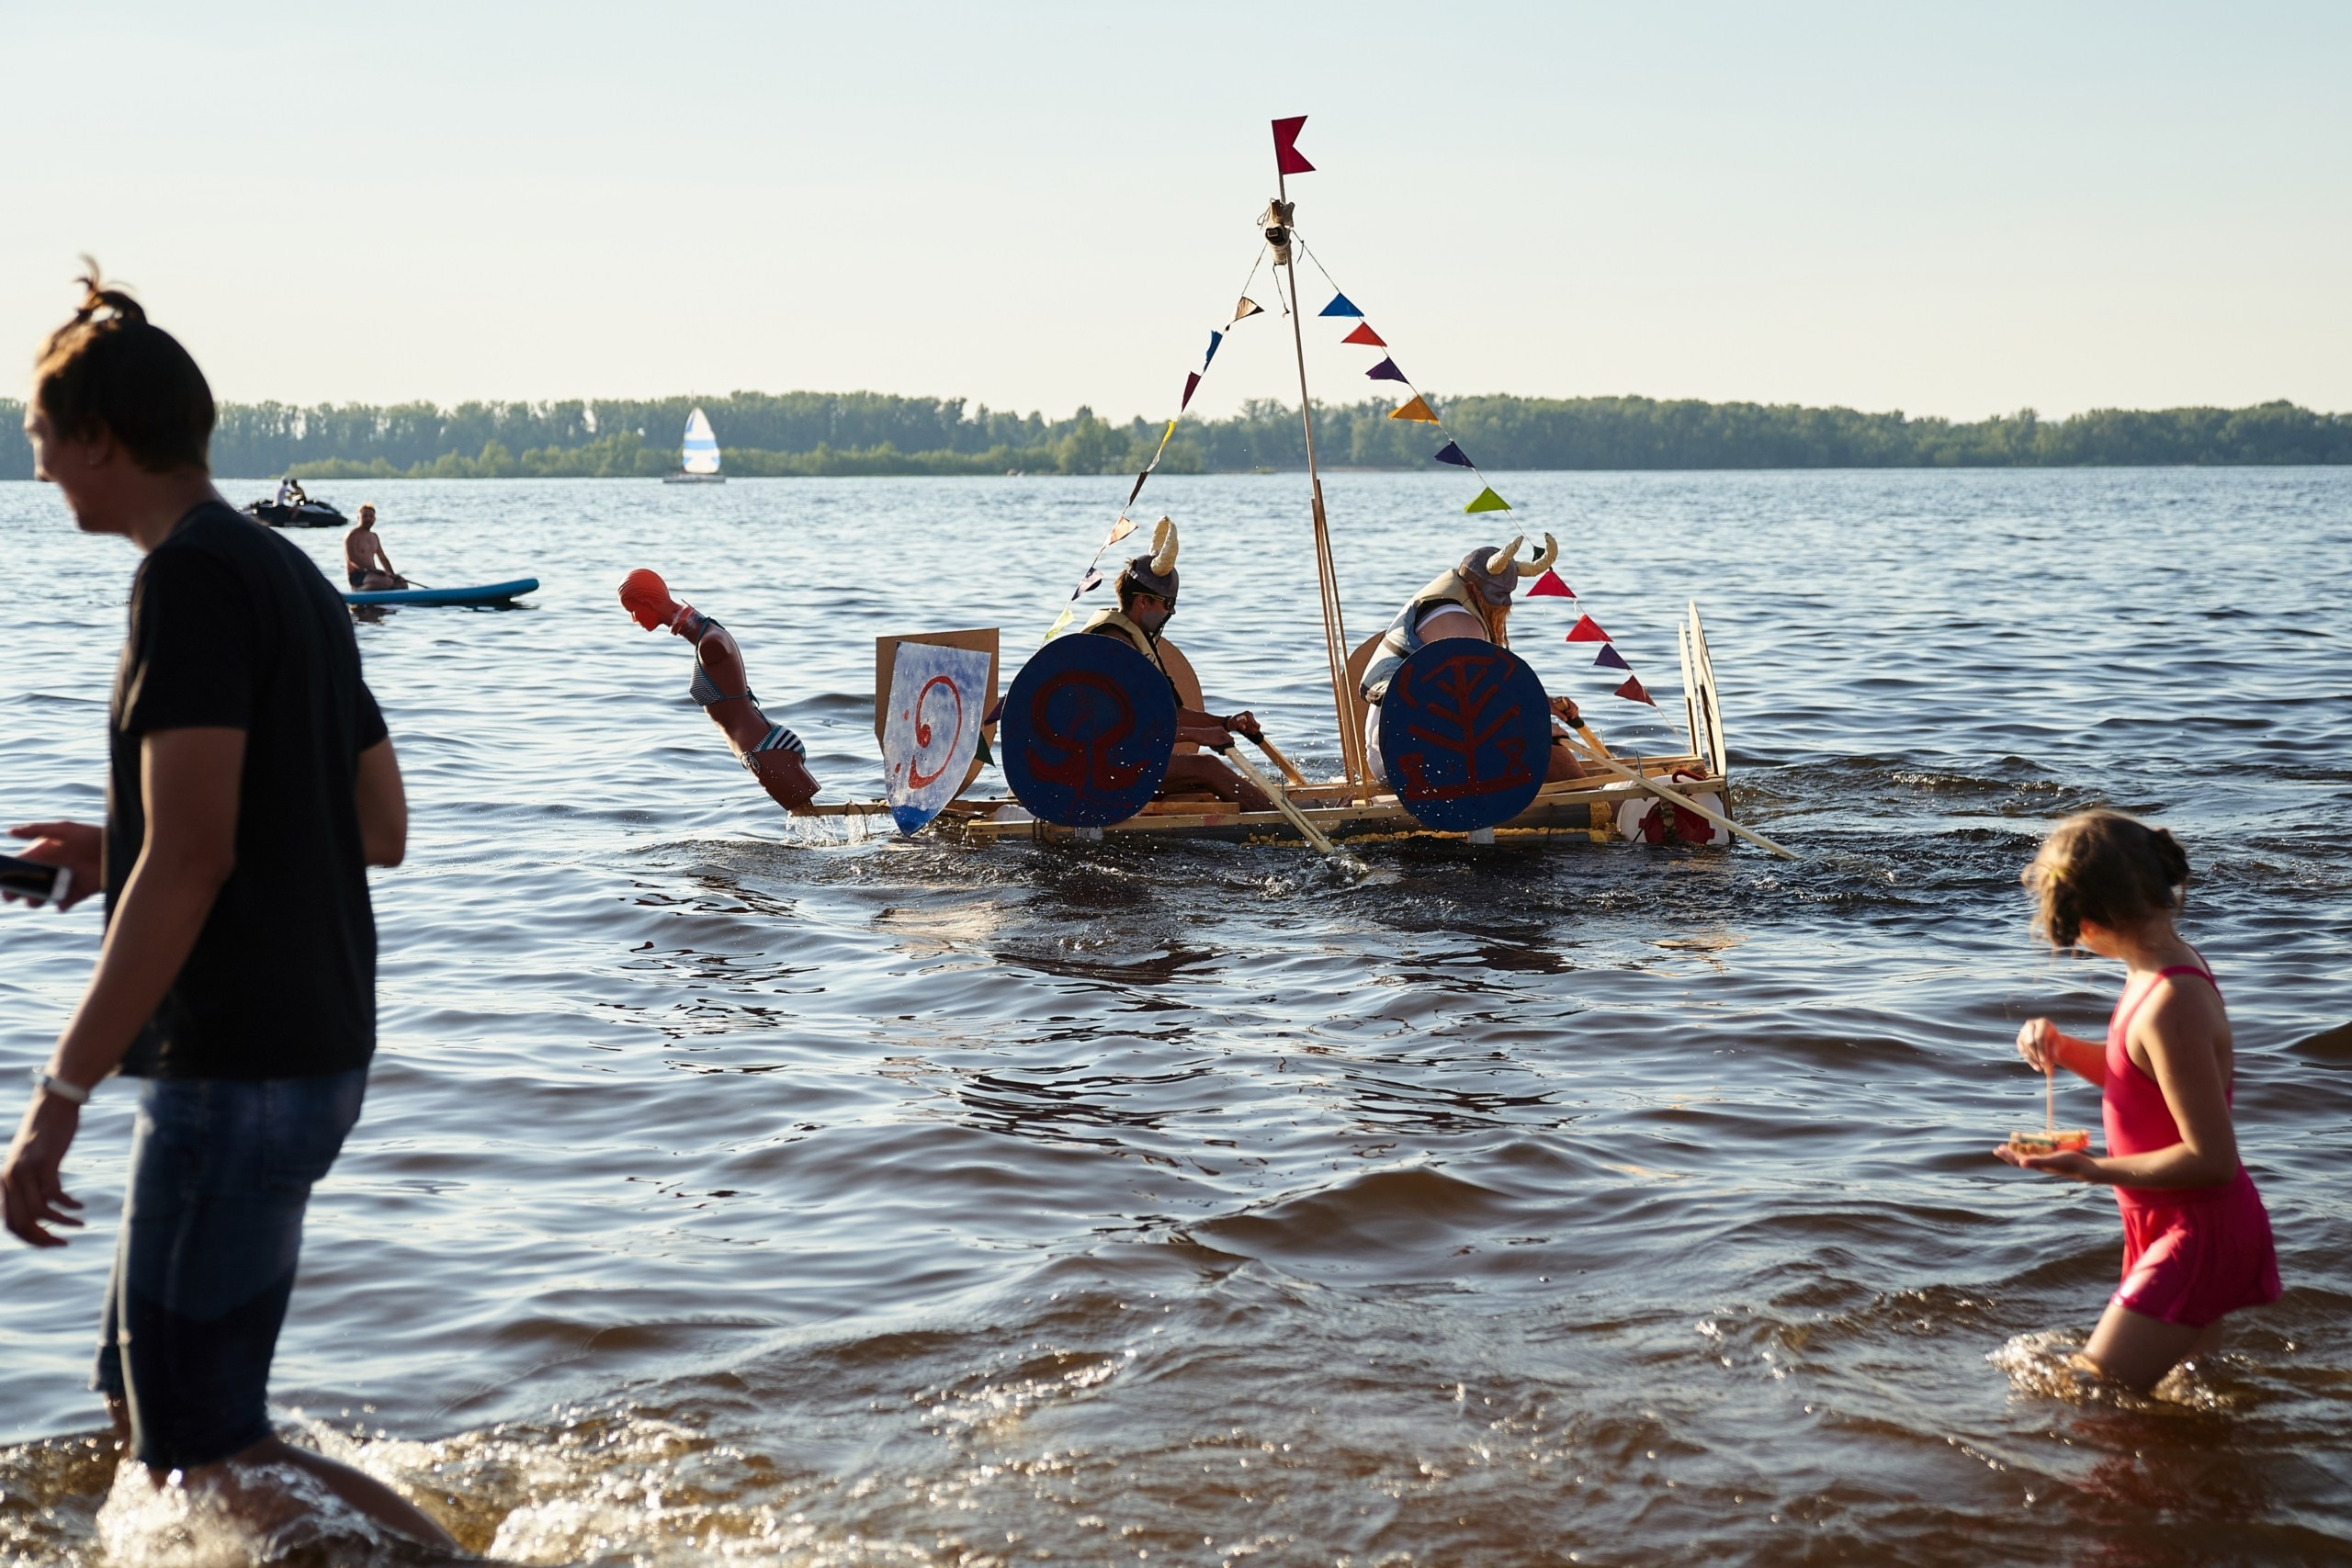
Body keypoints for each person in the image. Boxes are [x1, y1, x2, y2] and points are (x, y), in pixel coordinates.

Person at [1, 267, 455, 1551]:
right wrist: (120, 841)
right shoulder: (292, 578)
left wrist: (58, 1093)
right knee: (143, 1402)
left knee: (204, 1435)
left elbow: (193, 862)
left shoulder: (188, 582)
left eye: (39, 437)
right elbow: (375, 825)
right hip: (312, 1047)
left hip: (239, 1063)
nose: (36, 470)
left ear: (98, 436)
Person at [1999, 809, 2280, 1393]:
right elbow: (2142, 1079)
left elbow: (2211, 1159)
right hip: (2169, 1221)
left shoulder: (2170, 1001)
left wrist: (2090, 1170)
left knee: (2088, 1390)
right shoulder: (2157, 973)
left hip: (2197, 1230)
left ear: (2088, 920)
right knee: (2186, 1398)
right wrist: (2067, 1049)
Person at [1358, 535, 1587, 789]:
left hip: (1402, 746)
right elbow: (1476, 707)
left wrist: (1541, 705)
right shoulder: (1459, 623)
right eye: (1496, 597)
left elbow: (1483, 695)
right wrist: (1538, 727)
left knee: (1535, 731)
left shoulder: (1448, 607)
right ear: (1472, 589)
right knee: (1545, 740)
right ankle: (1598, 806)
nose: (1503, 605)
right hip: (1405, 757)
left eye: (1507, 596)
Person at [1079, 517, 1272, 814]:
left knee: (1206, 774)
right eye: (1167, 604)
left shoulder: (1137, 641)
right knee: (1207, 767)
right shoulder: (1113, 648)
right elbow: (1121, 730)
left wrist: (1224, 723)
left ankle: (1273, 810)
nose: (1172, 611)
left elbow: (1174, 714)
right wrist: (1197, 735)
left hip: (1120, 760)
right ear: (1143, 602)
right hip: (1094, 767)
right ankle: (1282, 826)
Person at [619, 569, 822, 812]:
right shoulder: (708, 635)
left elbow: (710, 638)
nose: (634, 618)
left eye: (632, 610)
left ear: (647, 603)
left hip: (766, 750)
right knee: (807, 831)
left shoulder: (711, 643)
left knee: (809, 828)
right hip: (762, 748)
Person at [343, 503, 404, 591]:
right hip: (357, 575)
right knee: (386, 582)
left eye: (371, 516)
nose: (368, 519)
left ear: (374, 519)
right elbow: (352, 559)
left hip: (372, 573)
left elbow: (383, 558)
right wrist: (373, 571)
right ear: (358, 518)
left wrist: (393, 575)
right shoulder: (352, 535)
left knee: (401, 583)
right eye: (365, 516)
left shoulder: (374, 536)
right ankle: (357, 590)